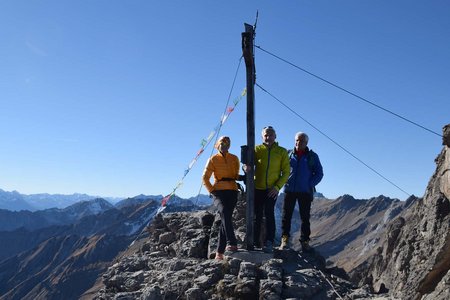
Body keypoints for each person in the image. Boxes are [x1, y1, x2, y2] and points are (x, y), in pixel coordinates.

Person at [280, 132, 323, 252]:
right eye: (297, 140)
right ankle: (285, 239)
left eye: (302, 141)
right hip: (289, 190)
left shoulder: (312, 156)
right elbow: (280, 169)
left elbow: (319, 174)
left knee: (305, 217)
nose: (299, 143)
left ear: (306, 143)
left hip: (305, 191)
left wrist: (309, 184)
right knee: (286, 216)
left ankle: (304, 241)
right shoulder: (288, 154)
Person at [250, 126, 290, 253]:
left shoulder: (282, 151)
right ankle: (256, 242)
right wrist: (246, 166)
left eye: (271, 134)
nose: (268, 137)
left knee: (269, 214)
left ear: (275, 136)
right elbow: (249, 164)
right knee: (257, 215)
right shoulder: (257, 149)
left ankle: (269, 242)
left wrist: (277, 187)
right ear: (262, 136)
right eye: (266, 135)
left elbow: (286, 172)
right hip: (257, 188)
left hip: (272, 189)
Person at [202, 136, 240, 260]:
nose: (224, 145)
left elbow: (235, 175)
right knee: (224, 213)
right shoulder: (213, 159)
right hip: (219, 191)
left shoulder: (234, 158)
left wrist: (245, 173)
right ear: (217, 145)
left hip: (233, 191)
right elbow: (205, 178)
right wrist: (212, 191)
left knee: (226, 217)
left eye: (227, 143)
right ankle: (232, 243)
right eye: (222, 143)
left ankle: (219, 252)